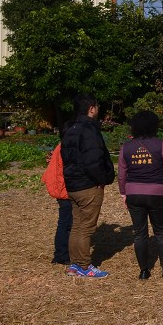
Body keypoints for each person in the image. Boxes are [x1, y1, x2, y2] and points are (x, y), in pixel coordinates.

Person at [118, 111, 163, 280]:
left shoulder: (126, 147)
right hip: (156, 193)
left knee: (139, 234)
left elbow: (121, 175)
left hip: (134, 193)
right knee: (161, 232)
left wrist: (123, 193)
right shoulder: (160, 144)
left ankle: (144, 271)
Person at [61, 94, 115, 279]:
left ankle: (74, 264)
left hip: (73, 184)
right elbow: (93, 160)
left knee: (76, 225)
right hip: (88, 185)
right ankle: (84, 265)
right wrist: (102, 178)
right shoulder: (89, 130)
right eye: (97, 106)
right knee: (86, 227)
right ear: (91, 108)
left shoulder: (71, 129)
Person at [41, 119, 75, 265]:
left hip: (60, 189)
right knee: (66, 223)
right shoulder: (66, 148)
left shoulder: (60, 147)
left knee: (65, 222)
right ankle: (61, 254)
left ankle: (62, 253)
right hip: (64, 190)